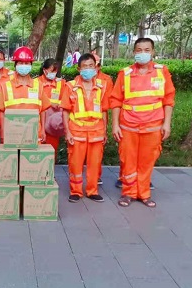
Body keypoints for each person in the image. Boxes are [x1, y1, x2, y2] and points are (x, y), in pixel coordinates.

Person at [110, 38, 175, 208]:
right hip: (128, 125)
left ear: (153, 52)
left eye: (147, 50)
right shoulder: (125, 74)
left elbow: (169, 99)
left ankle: (144, 193)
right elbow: (115, 100)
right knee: (128, 159)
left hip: (153, 125)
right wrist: (115, 125)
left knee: (147, 161)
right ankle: (128, 193)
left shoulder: (162, 72)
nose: (143, 53)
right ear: (134, 52)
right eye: (139, 50)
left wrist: (167, 124)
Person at [61, 53, 109, 203]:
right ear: (79, 69)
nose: (88, 69)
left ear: (96, 67)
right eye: (84, 66)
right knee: (75, 163)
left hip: (96, 131)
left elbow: (104, 111)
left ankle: (92, 191)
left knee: (95, 163)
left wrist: (105, 131)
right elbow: (65, 110)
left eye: (91, 66)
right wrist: (67, 132)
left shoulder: (102, 86)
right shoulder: (70, 86)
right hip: (77, 131)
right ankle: (75, 191)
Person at [0, 46, 49, 144]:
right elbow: (1, 112)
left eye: (27, 63)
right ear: (15, 65)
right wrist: (2, 131)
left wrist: (43, 130)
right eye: (20, 63)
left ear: (31, 65)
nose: (24, 66)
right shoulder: (6, 86)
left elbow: (43, 111)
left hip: (34, 134)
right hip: (12, 134)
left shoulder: (39, 86)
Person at [39, 58, 65, 152]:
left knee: (51, 150)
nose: (53, 73)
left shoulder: (61, 83)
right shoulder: (36, 82)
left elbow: (65, 101)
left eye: (55, 71)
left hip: (53, 123)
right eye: (51, 71)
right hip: (39, 121)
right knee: (38, 149)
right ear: (44, 70)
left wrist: (59, 104)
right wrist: (50, 103)